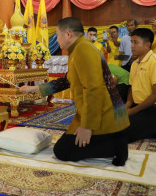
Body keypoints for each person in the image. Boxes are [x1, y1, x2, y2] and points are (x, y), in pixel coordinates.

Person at [20, 17, 130, 166]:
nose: (57, 40)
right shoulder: (78, 49)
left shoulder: (83, 50)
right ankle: (113, 140)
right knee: (63, 147)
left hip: (104, 113)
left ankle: (116, 145)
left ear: (68, 34)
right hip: (95, 110)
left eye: (57, 35)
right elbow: (67, 80)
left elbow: (94, 89)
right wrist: (34, 89)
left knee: (63, 152)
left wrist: (87, 126)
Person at [124, 28, 156, 142]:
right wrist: (128, 105)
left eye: (136, 42)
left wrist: (133, 111)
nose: (132, 46)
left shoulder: (155, 62)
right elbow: (131, 87)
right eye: (131, 42)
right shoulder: (134, 64)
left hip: (154, 107)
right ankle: (151, 124)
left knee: (124, 134)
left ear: (147, 45)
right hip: (139, 104)